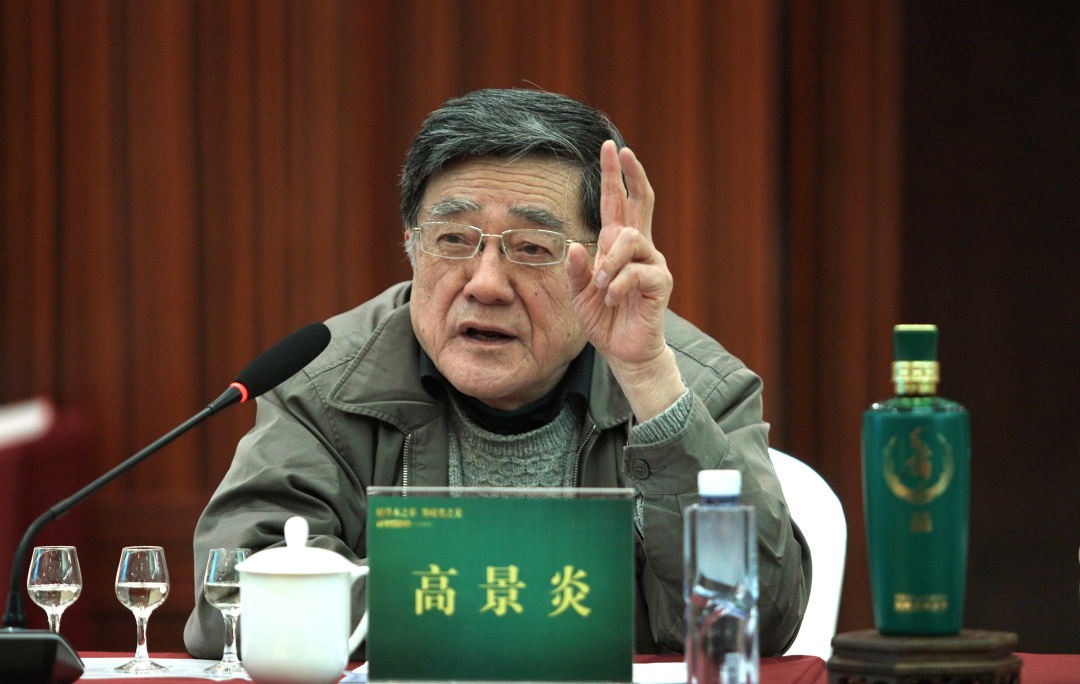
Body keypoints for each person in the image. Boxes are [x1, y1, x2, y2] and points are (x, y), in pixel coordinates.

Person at [183, 88, 810, 657]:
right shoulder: (324, 382)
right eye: (453, 240)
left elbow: (760, 618)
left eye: (532, 248)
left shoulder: (691, 386)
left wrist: (649, 383)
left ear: (601, 262)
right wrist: (545, 605)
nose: (485, 284)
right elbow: (229, 601)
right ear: (411, 245)